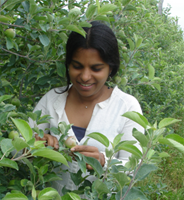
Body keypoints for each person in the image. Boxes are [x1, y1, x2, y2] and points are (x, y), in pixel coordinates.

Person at [29, 21, 144, 195]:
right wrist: (36, 143)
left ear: (110, 68)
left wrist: (104, 161)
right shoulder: (52, 100)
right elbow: (18, 147)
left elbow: (136, 168)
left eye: (96, 68)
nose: (85, 76)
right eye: (77, 66)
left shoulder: (127, 107)